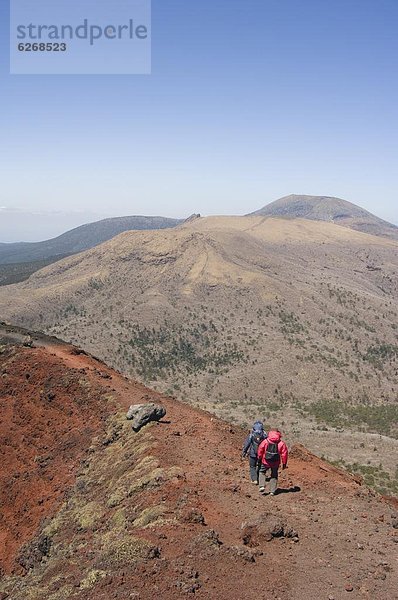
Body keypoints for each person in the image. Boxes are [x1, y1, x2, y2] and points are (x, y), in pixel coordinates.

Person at [257, 429, 288, 495]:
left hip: (265, 461)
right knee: (274, 475)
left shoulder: (265, 441)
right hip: (275, 462)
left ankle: (262, 486)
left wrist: (259, 458)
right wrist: (284, 463)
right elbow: (284, 454)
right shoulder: (281, 443)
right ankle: (272, 491)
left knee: (262, 472)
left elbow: (260, 450)